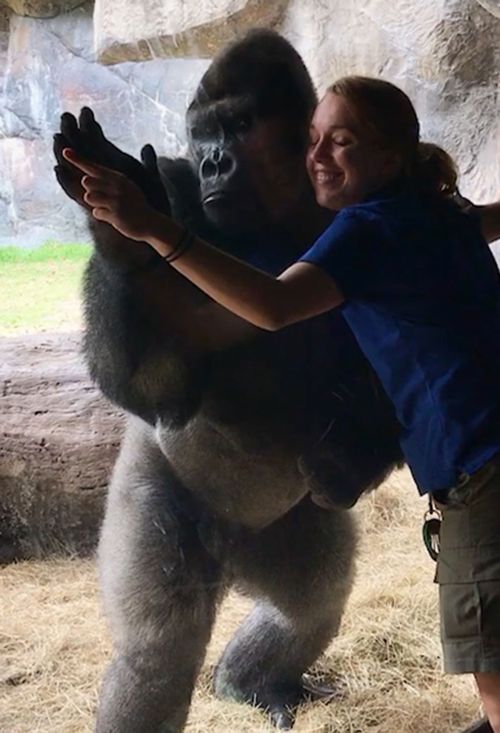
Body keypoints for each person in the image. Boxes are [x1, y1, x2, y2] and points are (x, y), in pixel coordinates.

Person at [64, 76, 500, 733]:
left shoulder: (361, 227)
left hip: (464, 475)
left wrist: (152, 231)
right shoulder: (431, 210)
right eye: (206, 134)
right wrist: (125, 243)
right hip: (176, 485)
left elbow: (277, 309)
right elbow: (150, 388)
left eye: (237, 130)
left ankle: (260, 674)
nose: (213, 156)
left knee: (330, 603)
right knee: (161, 647)